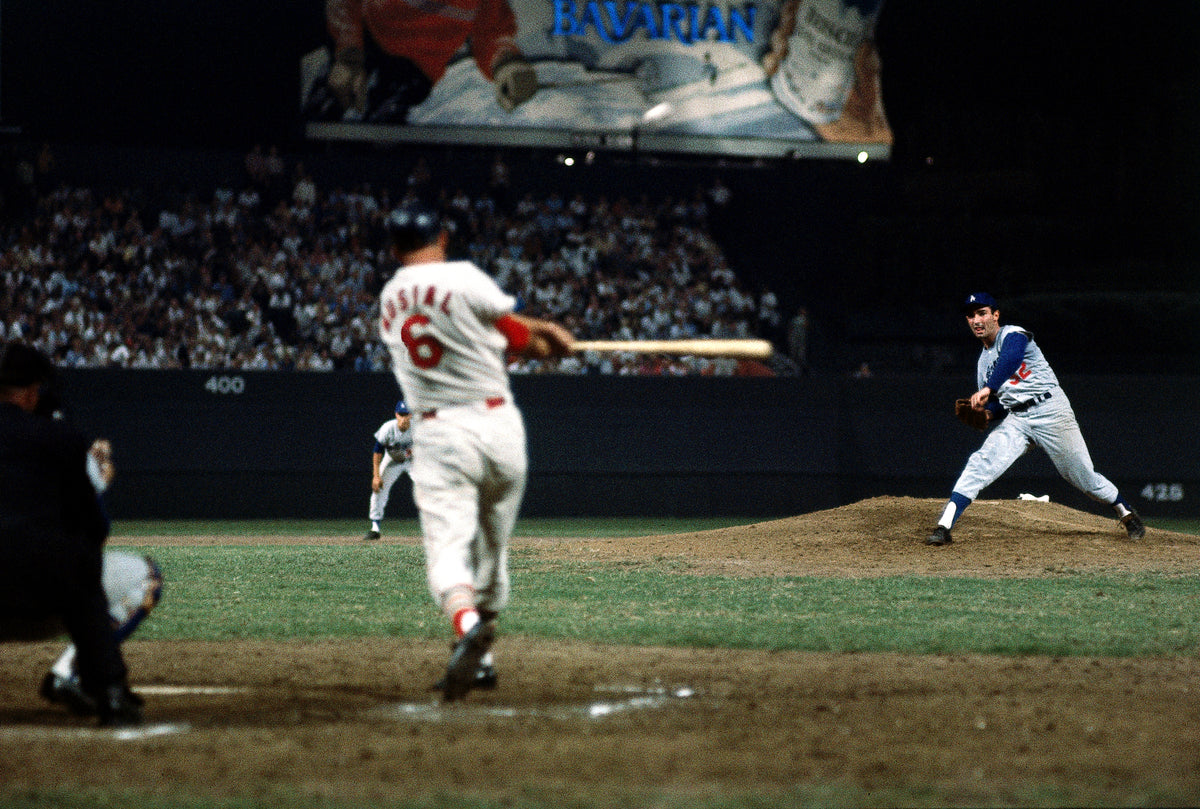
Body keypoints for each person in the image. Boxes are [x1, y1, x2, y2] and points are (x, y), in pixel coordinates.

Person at [376, 202, 573, 701]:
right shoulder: (463, 275)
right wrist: (548, 343)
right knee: (492, 550)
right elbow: (515, 337)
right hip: (500, 428)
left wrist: (537, 331)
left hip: (442, 434)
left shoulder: (391, 298)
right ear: (441, 238)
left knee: (448, 549)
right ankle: (482, 656)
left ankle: (466, 628)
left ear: (395, 249)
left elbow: (478, 325)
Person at [0, 341, 158, 726]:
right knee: (129, 575)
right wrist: (97, 476)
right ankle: (106, 688)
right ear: (33, 393)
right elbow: (95, 528)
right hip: (47, 602)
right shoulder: (61, 439)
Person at [925, 293, 1145, 546]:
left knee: (1083, 477)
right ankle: (944, 527)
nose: (977, 319)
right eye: (971, 315)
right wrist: (988, 413)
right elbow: (1001, 405)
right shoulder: (982, 364)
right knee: (981, 462)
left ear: (996, 315)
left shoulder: (1013, 335)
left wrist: (988, 388)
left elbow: (1012, 357)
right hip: (1018, 419)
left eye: (982, 313)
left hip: (1051, 409)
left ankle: (1126, 513)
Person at [306, 0, 538, 123]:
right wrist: (348, 57)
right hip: (366, 43)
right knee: (326, 109)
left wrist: (507, 63)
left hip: (415, 71)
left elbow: (492, 32)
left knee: (383, 128)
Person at [363, 400, 414, 541]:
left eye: (406, 414)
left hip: (414, 462)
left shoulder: (418, 428)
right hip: (392, 460)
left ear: (411, 415)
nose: (403, 417)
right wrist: (376, 476)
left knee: (430, 489)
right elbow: (377, 452)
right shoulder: (388, 428)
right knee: (378, 488)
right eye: (401, 414)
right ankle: (375, 528)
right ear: (396, 414)